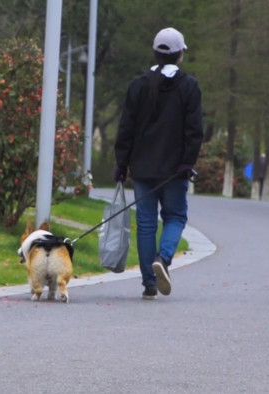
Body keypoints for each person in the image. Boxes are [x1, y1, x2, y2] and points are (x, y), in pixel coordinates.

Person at [114, 27, 204, 300]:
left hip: (142, 168)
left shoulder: (138, 84)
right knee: (175, 216)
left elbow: (126, 128)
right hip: (174, 170)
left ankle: (149, 283)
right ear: (180, 55)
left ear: (154, 52)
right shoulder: (188, 86)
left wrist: (122, 163)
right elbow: (194, 129)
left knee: (145, 222)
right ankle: (163, 259)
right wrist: (187, 161)